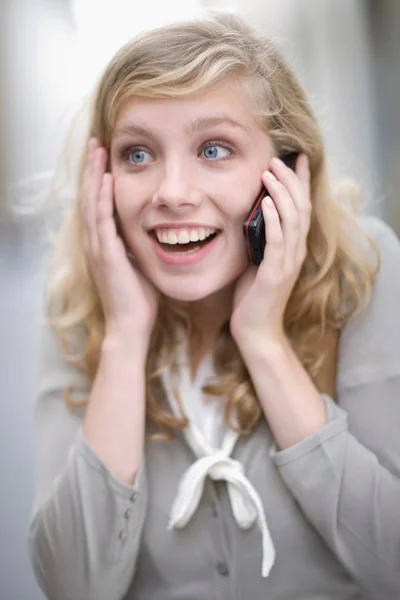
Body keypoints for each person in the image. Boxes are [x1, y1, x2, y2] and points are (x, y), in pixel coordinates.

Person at [28, 12, 400, 600]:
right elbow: (75, 586)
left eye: (214, 148)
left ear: (287, 172)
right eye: (138, 155)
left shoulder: (364, 268)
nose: (172, 193)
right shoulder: (78, 304)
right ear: (103, 178)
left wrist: (264, 342)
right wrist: (125, 336)